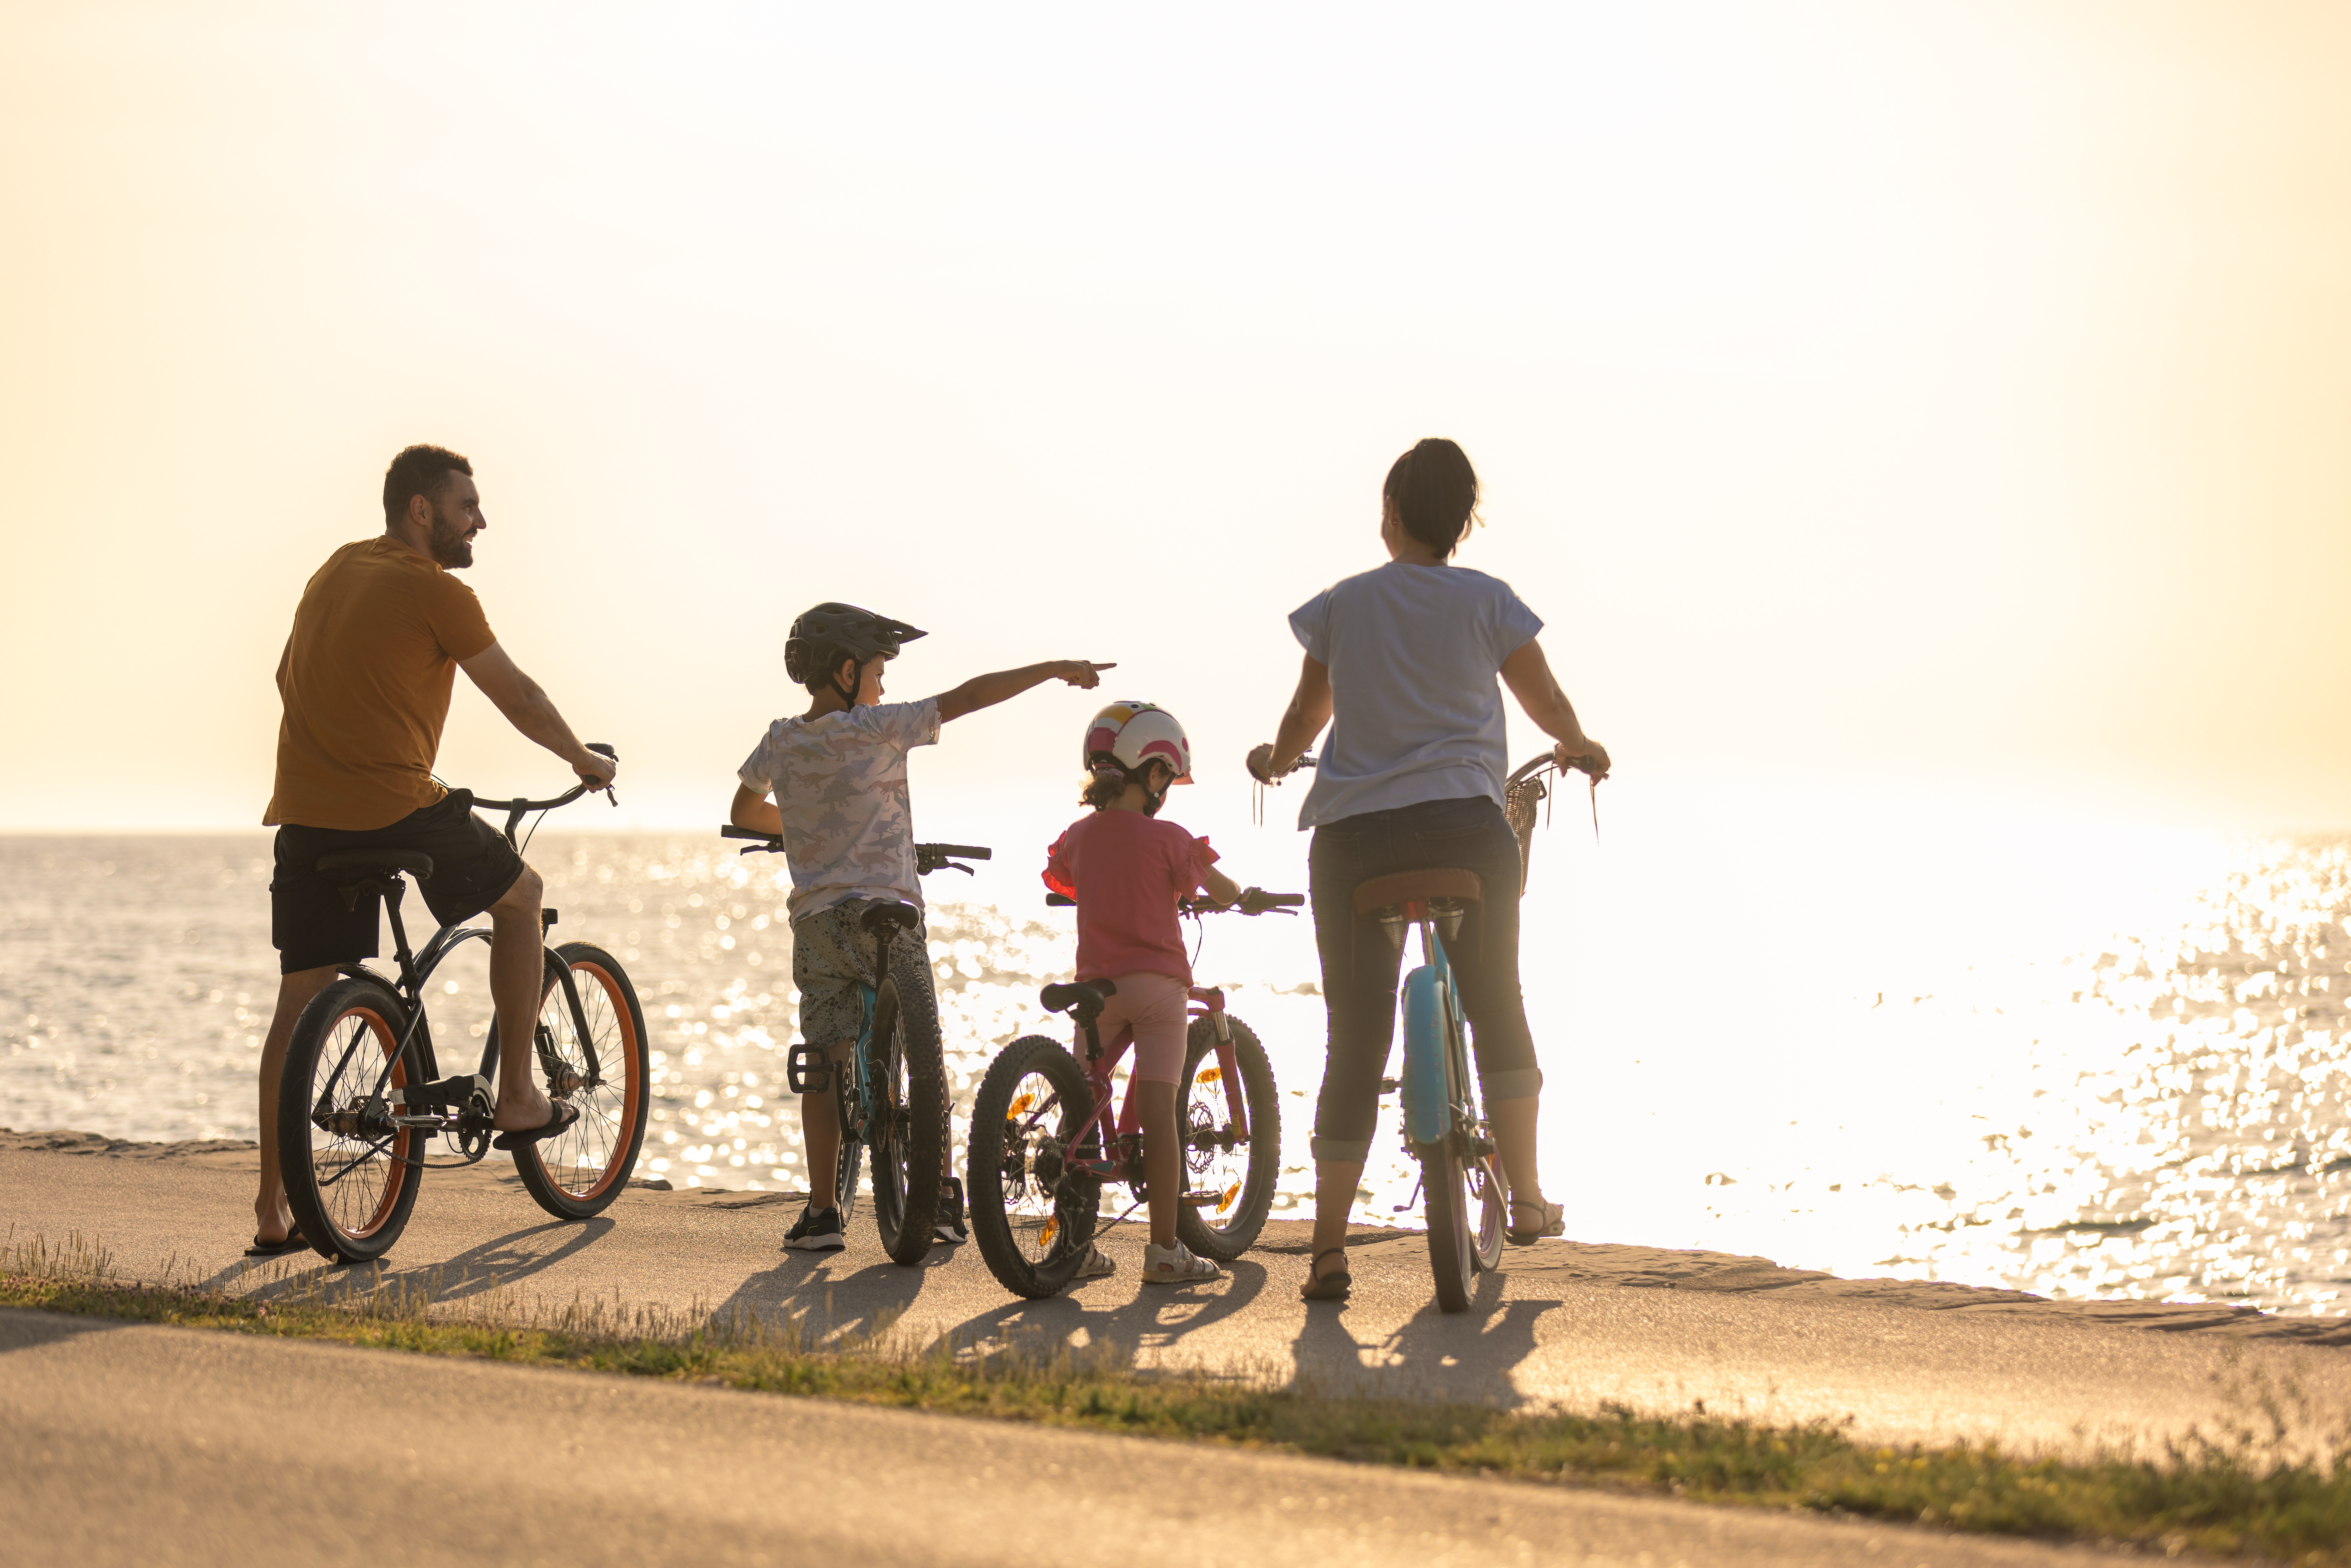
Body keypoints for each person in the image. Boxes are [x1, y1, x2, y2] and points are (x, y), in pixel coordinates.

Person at [1246, 437, 1609, 1303]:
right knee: (1496, 1002)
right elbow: (1547, 703)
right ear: (1462, 523)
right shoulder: (1489, 601)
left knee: (1354, 1038)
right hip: (1464, 830)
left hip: (1353, 841)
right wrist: (1578, 744)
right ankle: (1526, 1195)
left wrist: (1276, 759)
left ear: (1392, 514)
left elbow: (1304, 717)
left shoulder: (1343, 603)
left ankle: (1327, 1250)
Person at [254, 445, 616, 1256]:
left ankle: (273, 1209)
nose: (480, 520)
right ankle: (518, 1095)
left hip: (305, 817)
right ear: (421, 510)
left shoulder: (333, 572)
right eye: (467, 506)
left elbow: (287, 677)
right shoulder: (438, 589)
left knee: (298, 1004)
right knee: (522, 897)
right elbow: (519, 695)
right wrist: (581, 759)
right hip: (395, 808)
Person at [729, 603, 1108, 1253]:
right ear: (847, 671)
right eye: (878, 673)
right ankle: (936, 1199)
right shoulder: (880, 727)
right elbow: (970, 696)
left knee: (826, 1061)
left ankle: (822, 1213)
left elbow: (744, 809)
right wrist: (1052, 668)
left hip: (817, 924)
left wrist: (814, 827)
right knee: (920, 1045)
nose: (883, 688)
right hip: (887, 913)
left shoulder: (781, 739)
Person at [1041, 702, 1281, 1285]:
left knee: (1081, 1111)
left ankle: (1072, 1245)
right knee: (1159, 1115)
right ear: (1152, 773)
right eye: (1167, 778)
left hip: (1096, 992)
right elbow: (1218, 887)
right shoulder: (1171, 840)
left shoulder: (1079, 836)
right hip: (1156, 991)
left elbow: (1063, 879)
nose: (1167, 790)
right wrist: (1240, 896)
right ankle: (1165, 1251)